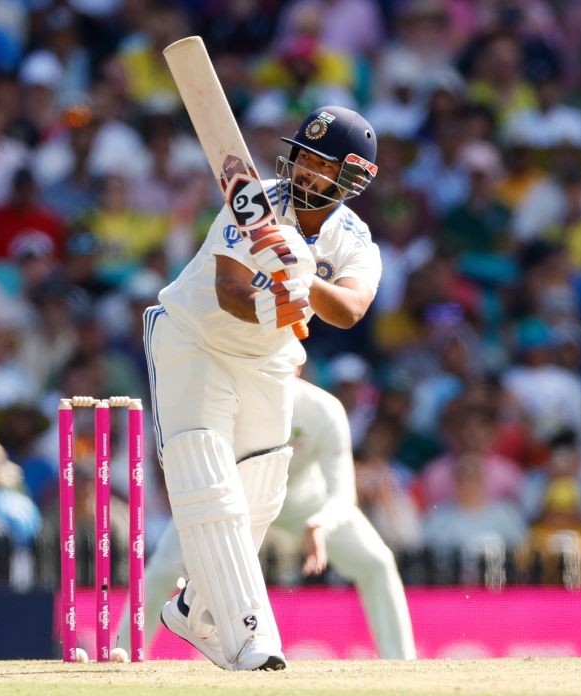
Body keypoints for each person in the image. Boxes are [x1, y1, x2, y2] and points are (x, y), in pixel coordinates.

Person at [142, 106, 380, 670]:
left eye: (320, 163)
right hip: (194, 342)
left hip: (269, 360)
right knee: (209, 479)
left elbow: (350, 310)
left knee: (263, 494)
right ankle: (252, 637)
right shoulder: (255, 201)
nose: (302, 168)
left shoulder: (352, 236)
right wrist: (277, 299)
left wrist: (304, 279)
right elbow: (228, 289)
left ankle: (194, 605)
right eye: (303, 154)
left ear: (351, 178)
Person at [117, 378, 417, 660]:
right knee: (161, 568)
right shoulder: (232, 400)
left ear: (298, 366)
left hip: (305, 505)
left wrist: (320, 522)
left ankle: (402, 663)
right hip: (237, 502)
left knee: (377, 563)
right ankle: (123, 652)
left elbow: (342, 493)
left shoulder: (321, 409)